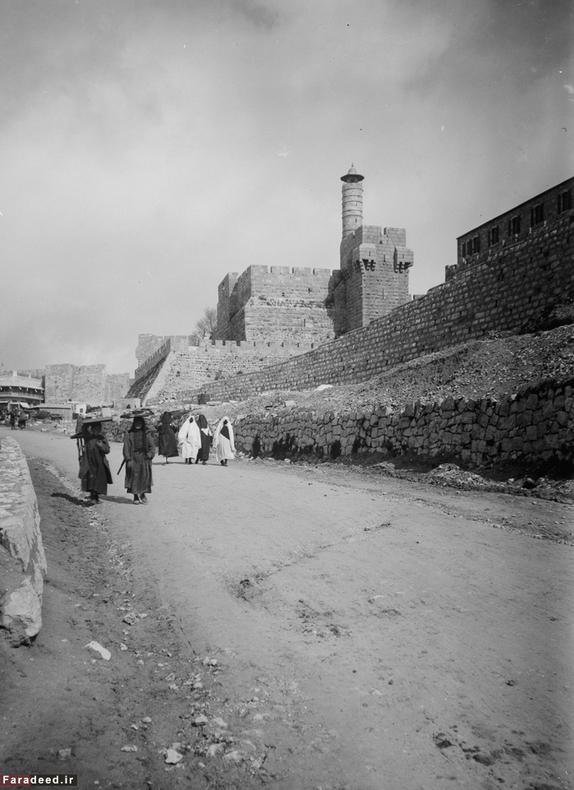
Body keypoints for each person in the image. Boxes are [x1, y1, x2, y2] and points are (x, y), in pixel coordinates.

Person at [73, 419, 113, 504]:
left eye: (98, 429)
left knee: (99, 480)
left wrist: (101, 446)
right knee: (91, 480)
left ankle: (96, 497)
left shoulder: (102, 439)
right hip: (90, 462)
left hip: (100, 463)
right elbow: (83, 429)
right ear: (92, 429)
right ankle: (93, 497)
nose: (97, 431)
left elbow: (107, 450)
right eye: (95, 429)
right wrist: (88, 423)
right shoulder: (88, 438)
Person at [123, 412, 155, 504]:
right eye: (136, 423)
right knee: (134, 477)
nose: (138, 425)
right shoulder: (129, 435)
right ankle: (135, 496)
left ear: (142, 424)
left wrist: (150, 455)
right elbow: (126, 448)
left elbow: (152, 447)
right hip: (133, 458)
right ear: (134, 423)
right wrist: (128, 459)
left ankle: (143, 494)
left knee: (144, 477)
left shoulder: (147, 434)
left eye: (140, 423)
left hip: (144, 458)